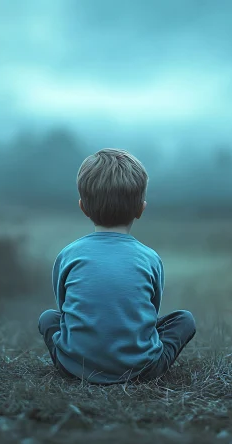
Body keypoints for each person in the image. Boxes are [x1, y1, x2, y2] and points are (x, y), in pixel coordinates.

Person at [37, 148, 196, 384]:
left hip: (75, 368)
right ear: (141, 209)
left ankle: (78, 359)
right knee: (185, 320)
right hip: (142, 370)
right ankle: (143, 363)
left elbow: (64, 308)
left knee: (48, 317)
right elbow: (150, 314)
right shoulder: (150, 258)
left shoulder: (68, 255)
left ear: (82, 207)